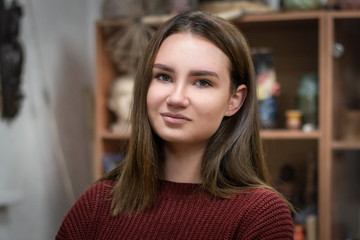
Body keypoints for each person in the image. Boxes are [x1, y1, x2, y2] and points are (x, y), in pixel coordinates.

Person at [56, 11, 294, 239]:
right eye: (164, 77)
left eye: (202, 82)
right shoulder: (96, 204)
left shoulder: (261, 215)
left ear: (234, 100)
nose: (176, 98)